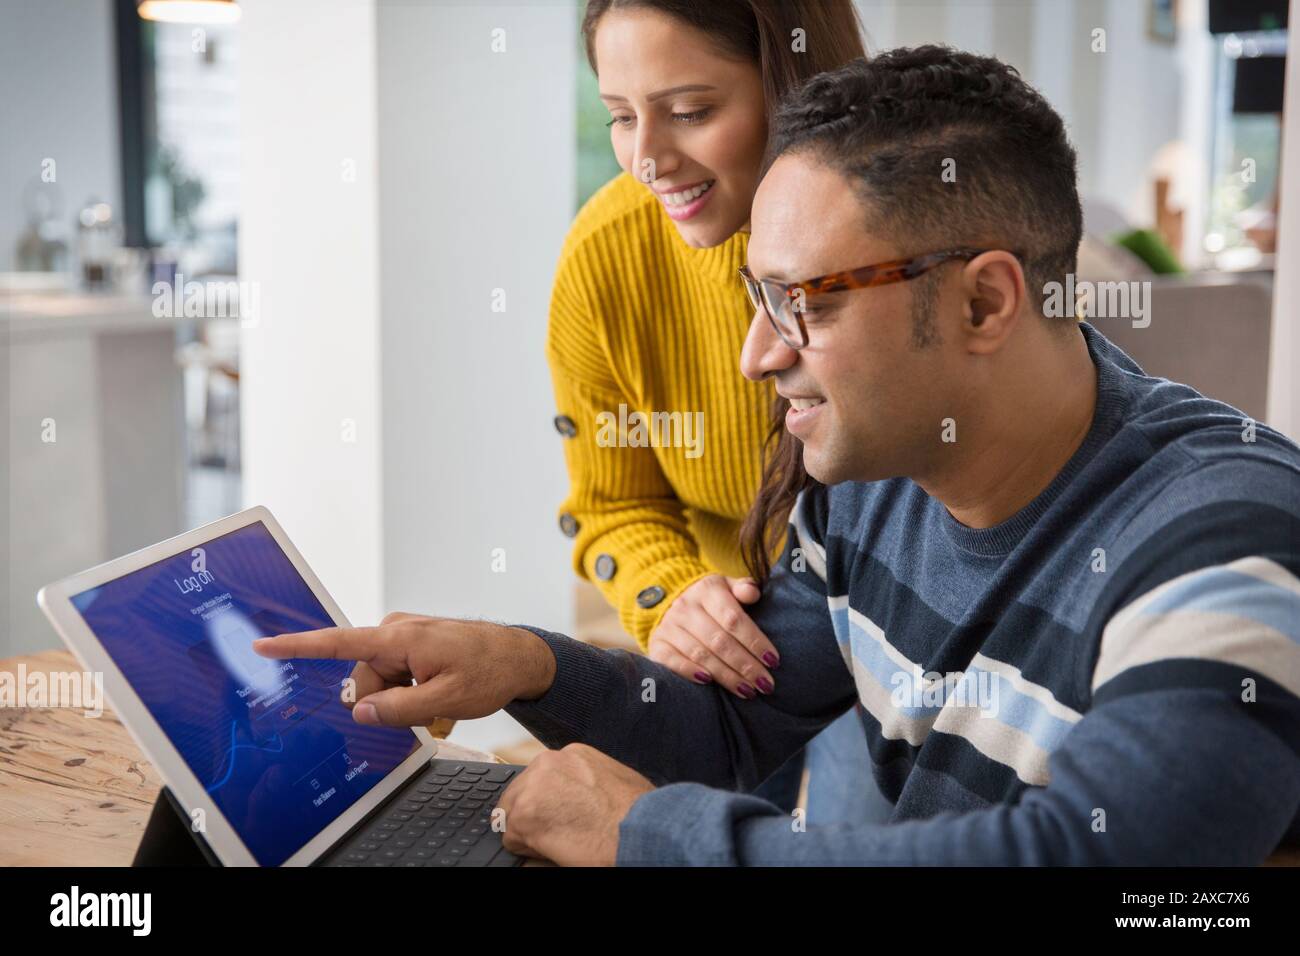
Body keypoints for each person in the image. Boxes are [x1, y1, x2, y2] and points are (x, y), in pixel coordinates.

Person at [256, 47, 1300, 865]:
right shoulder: (869, 485)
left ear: (984, 299)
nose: (759, 355)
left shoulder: (1226, 533)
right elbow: (731, 730)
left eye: (807, 303)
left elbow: (1088, 853)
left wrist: (653, 838)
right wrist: (527, 664)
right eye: (760, 295)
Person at [550, 0, 875, 817]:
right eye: (621, 118)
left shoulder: (902, 232)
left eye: (690, 112)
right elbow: (612, 505)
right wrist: (676, 601)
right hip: (736, 646)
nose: (647, 160)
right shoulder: (605, 258)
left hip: (889, 632)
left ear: (791, 83)